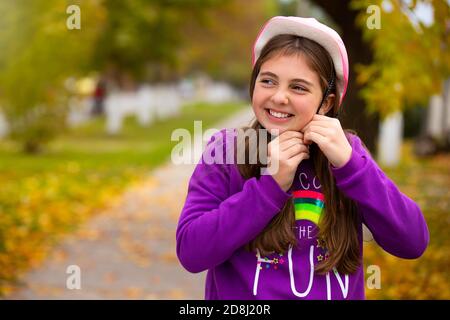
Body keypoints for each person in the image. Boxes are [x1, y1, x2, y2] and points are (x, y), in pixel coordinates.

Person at [176, 16, 429, 300]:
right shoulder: (226, 151)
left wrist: (353, 167)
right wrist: (268, 188)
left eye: (298, 87)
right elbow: (191, 252)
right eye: (268, 81)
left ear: (327, 102)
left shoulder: (348, 155)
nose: (279, 97)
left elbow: (412, 242)